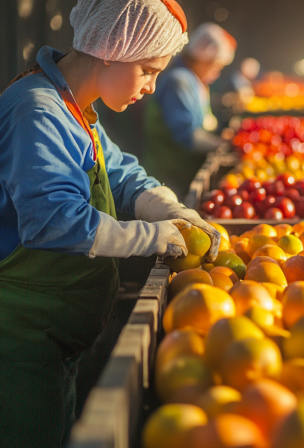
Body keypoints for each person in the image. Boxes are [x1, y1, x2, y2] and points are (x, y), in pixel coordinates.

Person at [0, 1, 221, 446]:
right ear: (111, 47)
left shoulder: (74, 107)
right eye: (148, 70)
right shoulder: (38, 112)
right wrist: (153, 236)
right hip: (20, 335)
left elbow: (119, 172)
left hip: (53, 332)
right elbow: (53, 222)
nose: (153, 86)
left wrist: (169, 210)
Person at [142, 23, 237, 200]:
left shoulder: (195, 81)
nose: (216, 73)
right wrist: (227, 146)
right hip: (169, 173)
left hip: (182, 170)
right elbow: (186, 135)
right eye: (215, 66)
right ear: (201, 58)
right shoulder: (179, 82)